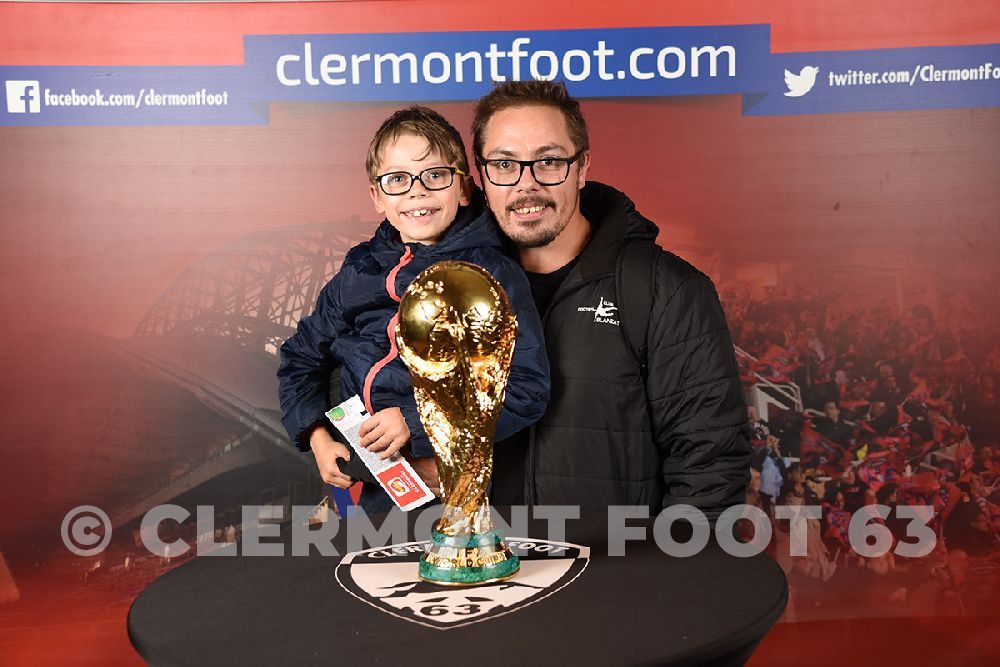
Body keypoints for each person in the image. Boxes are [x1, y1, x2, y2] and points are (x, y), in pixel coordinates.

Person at [458, 80, 750, 519]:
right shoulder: (448, 285)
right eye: (504, 164)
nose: (527, 184)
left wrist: (668, 584)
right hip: (481, 576)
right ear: (481, 173)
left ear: (583, 166)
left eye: (550, 161)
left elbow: (709, 468)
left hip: (614, 576)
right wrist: (320, 431)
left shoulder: (665, 291)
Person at [277, 106, 550, 512]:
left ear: (463, 189)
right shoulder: (359, 269)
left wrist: (415, 420)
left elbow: (526, 388)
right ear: (376, 195)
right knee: (368, 574)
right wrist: (316, 435)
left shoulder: (490, 272)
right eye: (397, 180)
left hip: (450, 486)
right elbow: (301, 357)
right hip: (370, 483)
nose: (416, 192)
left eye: (435, 176)